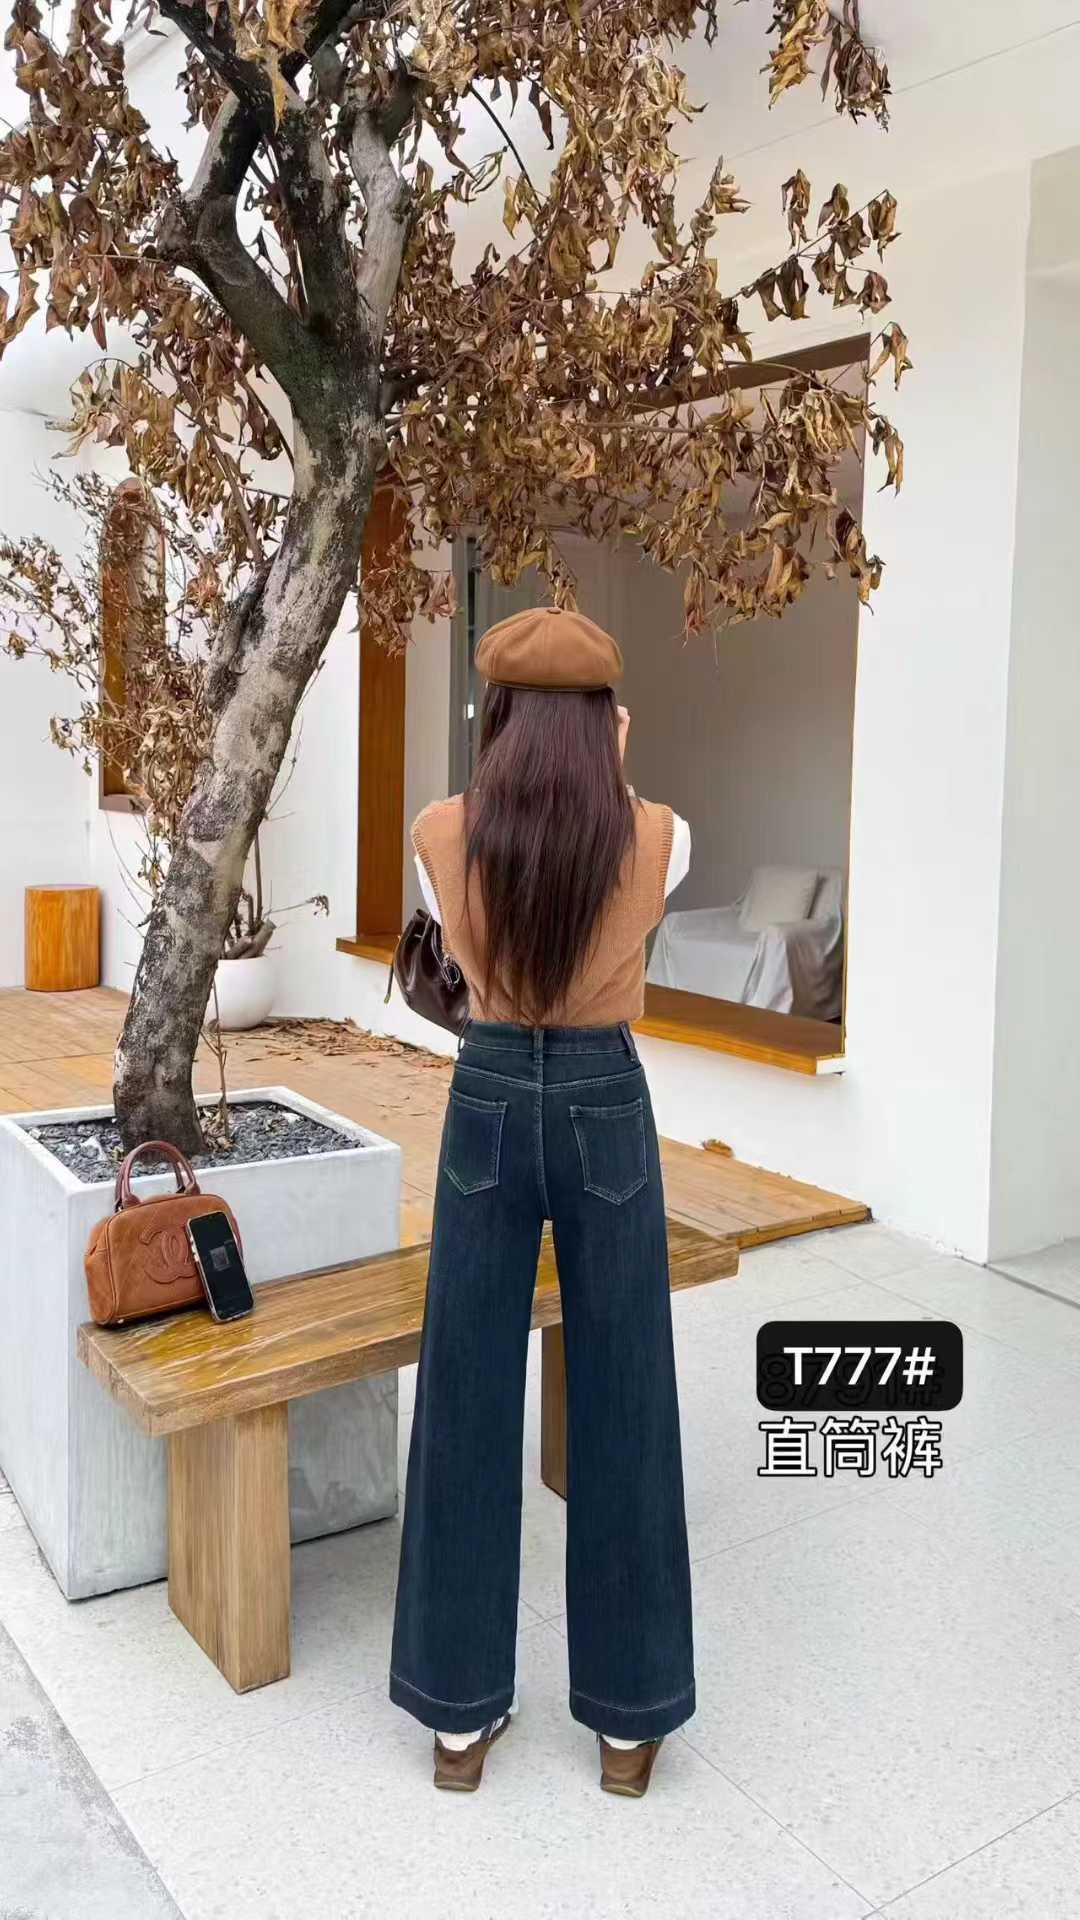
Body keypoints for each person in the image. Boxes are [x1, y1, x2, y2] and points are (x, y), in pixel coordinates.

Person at [389, 605, 695, 1799]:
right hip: (605, 1099)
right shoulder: (660, 835)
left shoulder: (441, 831)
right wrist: (616, 765)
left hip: (489, 1095)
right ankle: (627, 1730)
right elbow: (634, 843)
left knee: (466, 1389)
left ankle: (458, 1722)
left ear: (499, 716)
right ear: (608, 721)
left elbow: (453, 952)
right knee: (626, 1394)